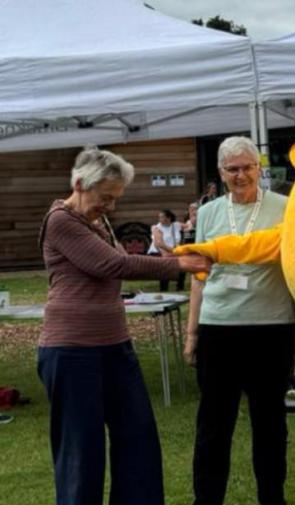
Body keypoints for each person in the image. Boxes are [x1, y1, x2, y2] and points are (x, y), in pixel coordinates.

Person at [37, 146, 210, 505]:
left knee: (138, 439)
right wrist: (179, 265)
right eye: (105, 198)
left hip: (115, 345)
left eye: (116, 199)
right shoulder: (61, 220)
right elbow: (112, 265)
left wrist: (175, 260)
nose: (111, 207)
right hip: (71, 350)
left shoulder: (96, 221)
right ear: (81, 183)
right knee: (81, 450)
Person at [184, 136, 295, 505]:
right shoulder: (208, 213)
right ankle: (207, 499)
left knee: (270, 424)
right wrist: (192, 332)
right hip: (219, 328)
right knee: (214, 426)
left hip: (271, 327)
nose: (241, 175)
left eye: (248, 167)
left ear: (259, 169)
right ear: (220, 173)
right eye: (232, 169)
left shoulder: (286, 207)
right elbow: (198, 277)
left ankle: (272, 497)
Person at [148, 209, 184, 291]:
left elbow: (190, 225)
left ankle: (180, 287)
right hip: (158, 252)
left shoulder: (176, 225)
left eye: (162, 217)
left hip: (172, 251)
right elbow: (159, 244)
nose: (159, 219)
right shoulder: (156, 228)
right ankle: (164, 289)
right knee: (166, 265)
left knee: (182, 263)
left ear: (169, 218)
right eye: (159, 217)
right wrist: (174, 252)